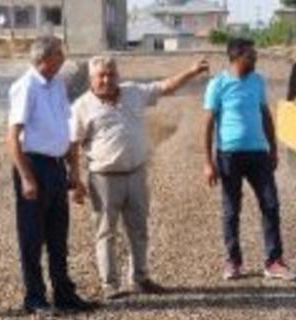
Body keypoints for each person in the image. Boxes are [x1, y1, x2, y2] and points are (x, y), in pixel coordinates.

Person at [70, 55, 209, 300]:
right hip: (103, 179)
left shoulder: (133, 92)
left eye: (111, 74)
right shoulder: (81, 106)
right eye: (101, 75)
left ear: (118, 75)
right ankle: (110, 284)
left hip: (136, 174)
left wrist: (192, 71)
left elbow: (166, 87)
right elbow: (72, 145)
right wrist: (75, 180)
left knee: (139, 229)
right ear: (91, 79)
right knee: (105, 232)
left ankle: (141, 278)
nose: (107, 79)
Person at [6, 35, 97, 315]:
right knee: (32, 237)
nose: (63, 58)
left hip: (56, 166)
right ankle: (34, 298)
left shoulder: (57, 84)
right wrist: (26, 177)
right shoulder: (25, 87)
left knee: (58, 236)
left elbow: (64, 130)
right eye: (59, 53)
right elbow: (12, 137)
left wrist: (73, 172)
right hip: (34, 165)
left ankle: (64, 294)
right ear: (44, 58)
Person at [202, 38, 296, 281]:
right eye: (251, 55)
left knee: (271, 204)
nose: (255, 58)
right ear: (237, 57)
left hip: (258, 154)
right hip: (229, 156)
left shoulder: (257, 81)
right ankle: (233, 261)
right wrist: (208, 162)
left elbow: (265, 115)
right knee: (231, 210)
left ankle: (273, 261)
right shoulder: (218, 84)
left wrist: (273, 148)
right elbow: (208, 124)